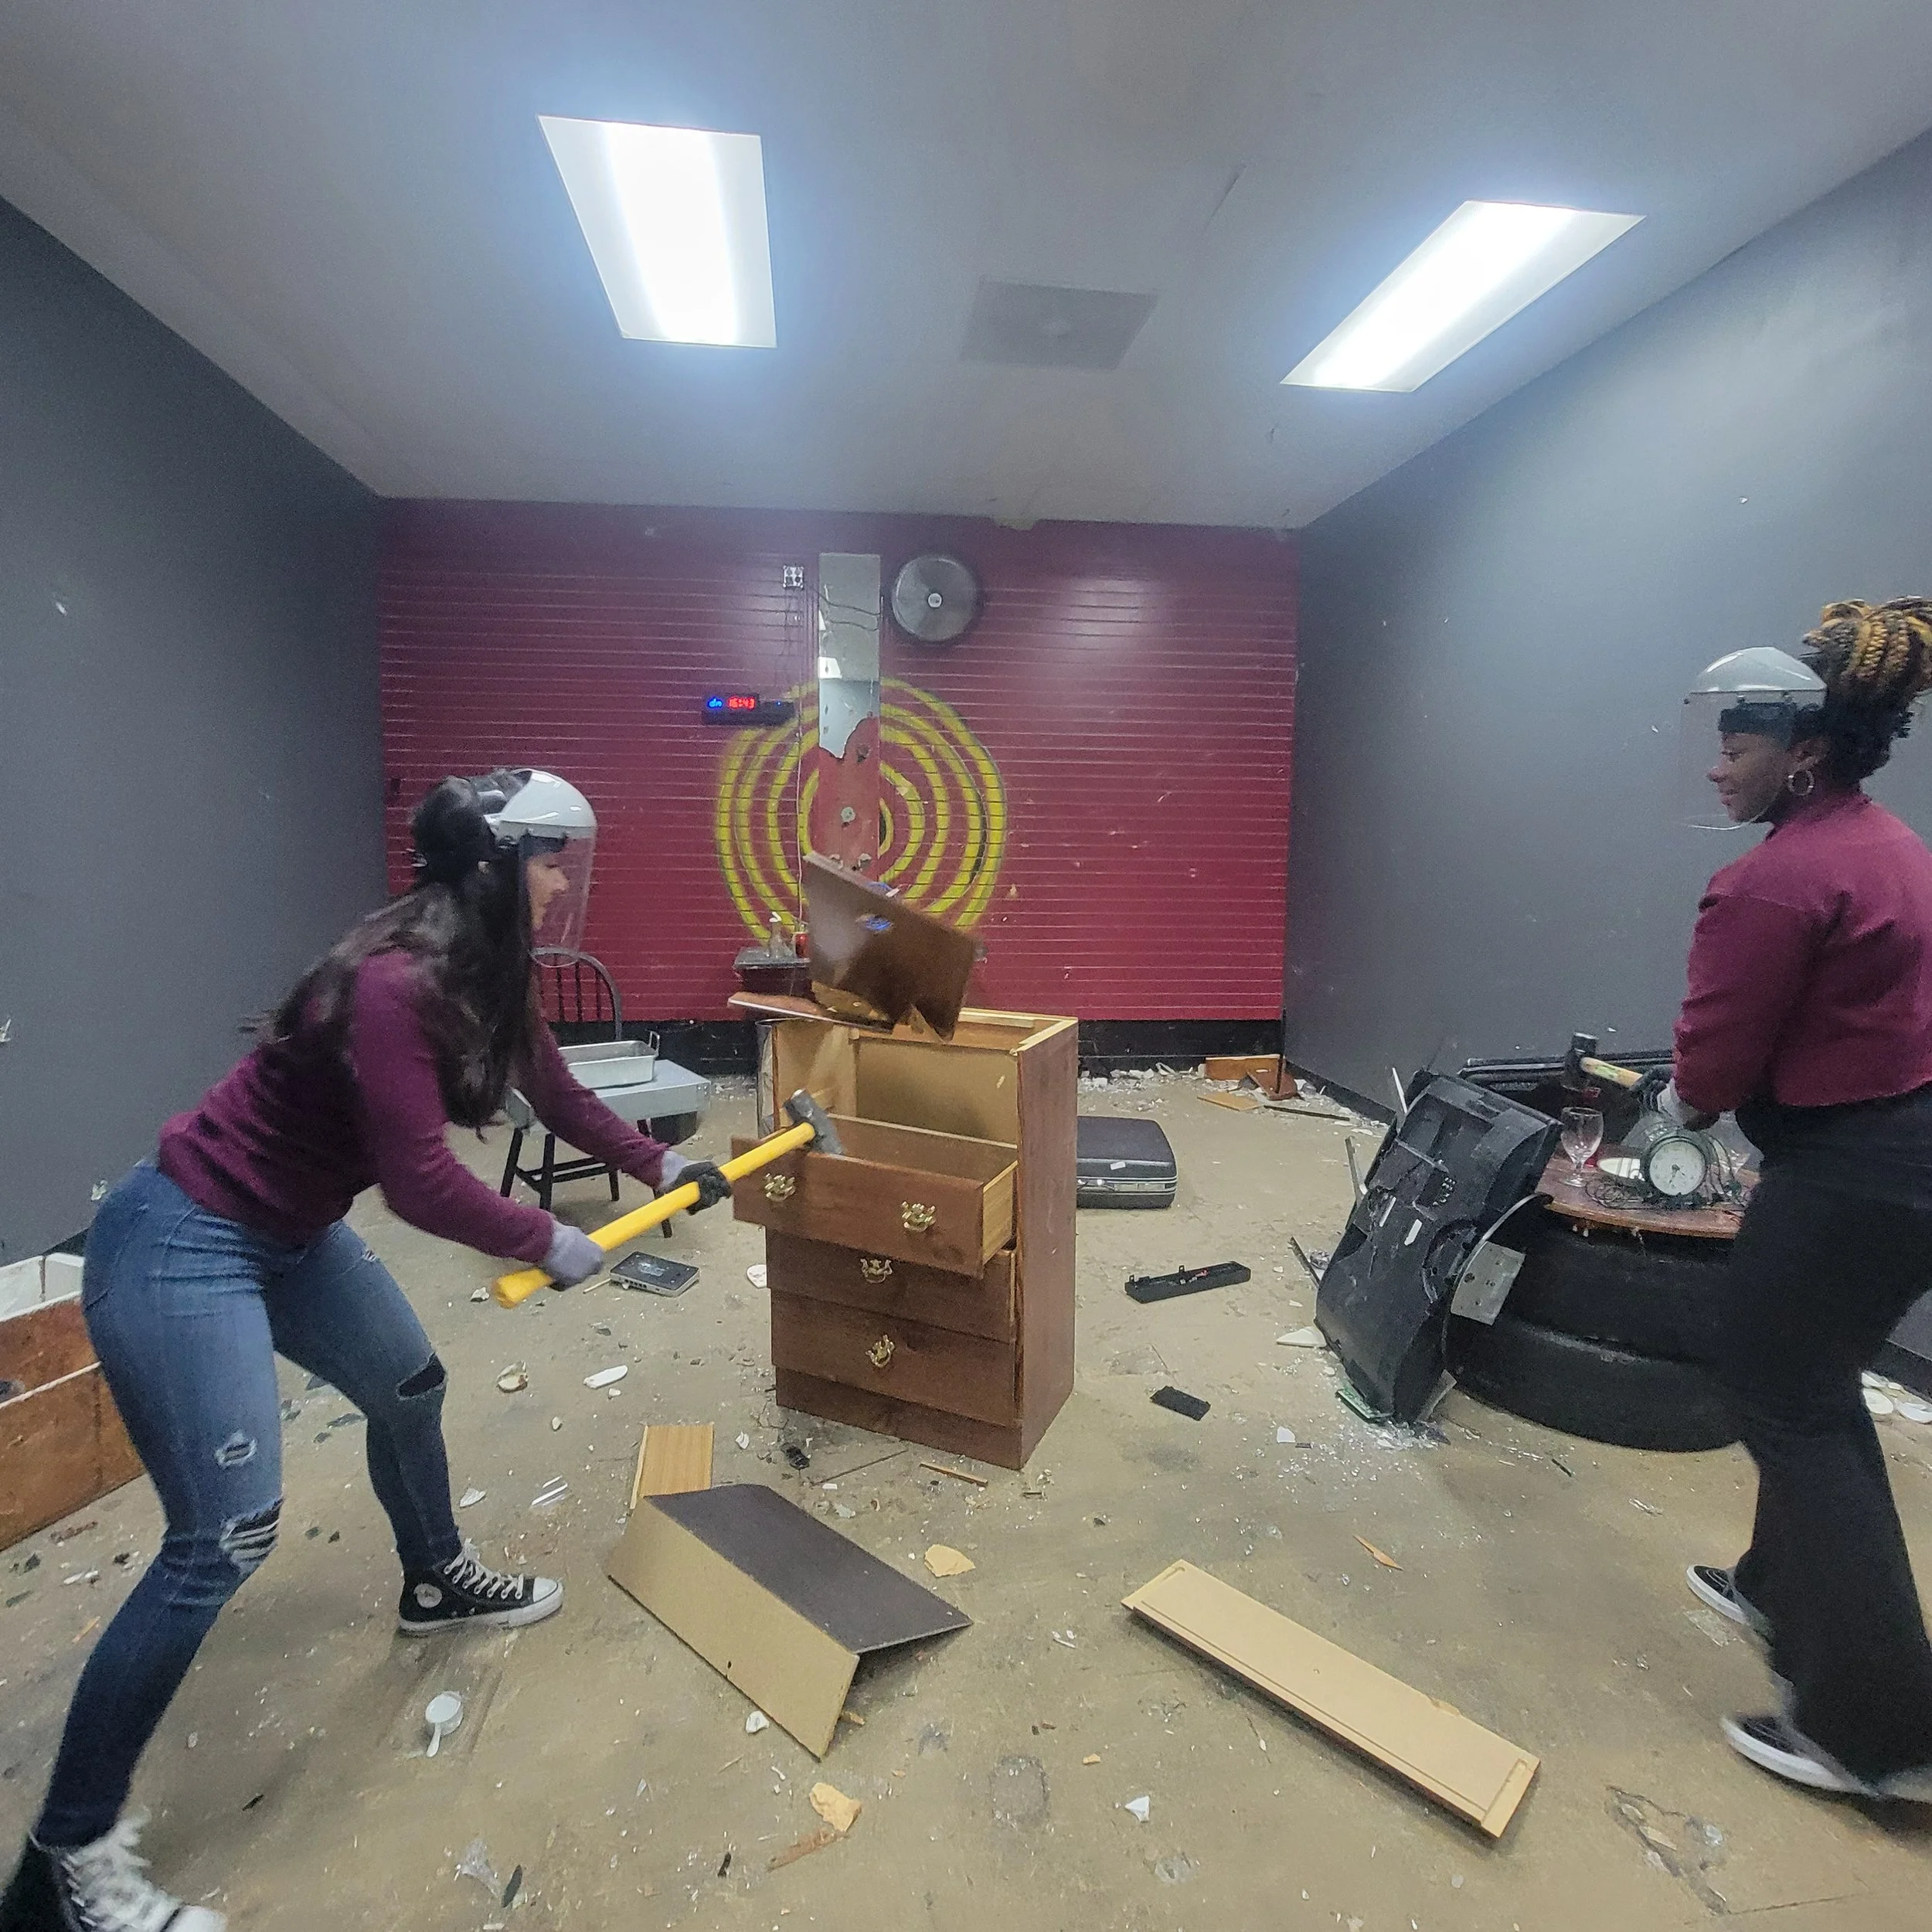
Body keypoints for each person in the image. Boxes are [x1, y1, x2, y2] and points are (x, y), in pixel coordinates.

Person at [0, 770, 731, 1932]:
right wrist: (549, 1235)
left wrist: (657, 1168)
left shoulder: (488, 978)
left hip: (286, 1233)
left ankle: (436, 1580)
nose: (561, 887)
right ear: (499, 867)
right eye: (550, 863)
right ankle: (64, 1866)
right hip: (184, 1236)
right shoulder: (398, 984)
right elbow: (421, 1182)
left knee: (409, 1385)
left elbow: (554, 1091)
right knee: (221, 1537)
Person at [1668, 600, 1932, 1799]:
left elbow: (1715, 1061)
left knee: (1788, 1398)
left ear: (1804, 752)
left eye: (1738, 747)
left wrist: (1677, 1111)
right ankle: (1778, 1589)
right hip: (1900, 1157)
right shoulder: (1885, 843)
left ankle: (1875, 1733)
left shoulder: (1775, 880)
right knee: (1814, 1386)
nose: (1719, 766)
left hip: (1854, 1168)